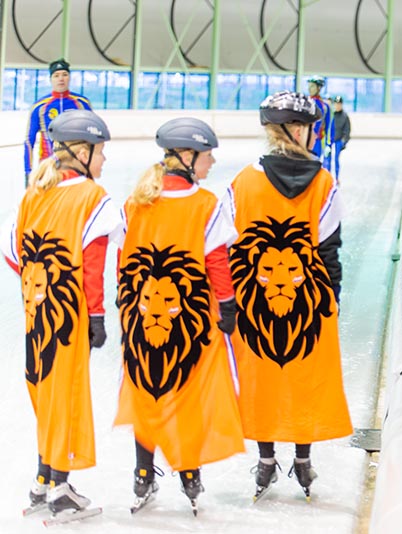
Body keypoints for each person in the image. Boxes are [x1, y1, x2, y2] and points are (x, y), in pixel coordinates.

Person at [113, 118, 245, 513]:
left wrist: (126, 306)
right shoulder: (205, 205)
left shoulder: (135, 202)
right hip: (191, 322)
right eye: (207, 155)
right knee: (189, 392)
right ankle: (189, 473)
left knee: (146, 390)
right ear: (187, 156)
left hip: (142, 318)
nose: (212, 162)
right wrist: (227, 305)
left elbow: (122, 260)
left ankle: (142, 473)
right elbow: (217, 261)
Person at [224, 90, 352, 501]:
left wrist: (229, 300)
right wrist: (332, 297)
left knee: (262, 379)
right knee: (305, 378)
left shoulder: (243, 182)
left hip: (254, 301)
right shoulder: (324, 183)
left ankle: (266, 460)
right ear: (298, 131)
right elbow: (330, 248)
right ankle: (303, 459)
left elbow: (227, 247)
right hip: (308, 300)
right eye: (311, 128)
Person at [1, 109, 119, 515]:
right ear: (82, 153)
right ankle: (60, 489)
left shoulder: (34, 192)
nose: (104, 160)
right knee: (65, 396)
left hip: (36, 312)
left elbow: (12, 252)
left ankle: (42, 481)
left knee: (44, 391)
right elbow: (92, 266)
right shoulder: (92, 196)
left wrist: (38, 285)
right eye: (100, 152)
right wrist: (96, 316)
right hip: (70, 315)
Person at [24, 59, 92, 187]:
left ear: (69, 77)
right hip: (48, 167)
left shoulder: (82, 103)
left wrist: (90, 166)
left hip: (75, 167)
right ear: (51, 79)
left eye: (64, 74)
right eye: (56, 75)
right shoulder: (39, 107)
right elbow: (29, 141)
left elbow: (92, 136)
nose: (61, 79)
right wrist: (28, 172)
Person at [307, 75, 333, 170]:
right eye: (309, 86)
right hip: (304, 140)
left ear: (319, 88)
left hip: (317, 141)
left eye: (312, 86)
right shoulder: (305, 103)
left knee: (314, 166)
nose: (309, 88)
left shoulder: (325, 106)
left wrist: (328, 144)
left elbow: (329, 127)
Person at [330, 95, 351, 179]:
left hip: (338, 141)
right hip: (330, 141)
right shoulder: (331, 115)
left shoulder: (345, 116)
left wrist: (344, 141)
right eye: (336, 104)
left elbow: (347, 130)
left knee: (336, 159)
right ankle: (328, 178)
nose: (337, 106)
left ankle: (336, 177)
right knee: (327, 159)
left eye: (339, 104)